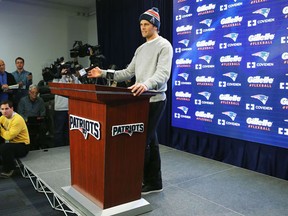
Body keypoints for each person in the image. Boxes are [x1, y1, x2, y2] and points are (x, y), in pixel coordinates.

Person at [87, 7, 173, 195]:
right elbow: (127, 73)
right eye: (141, 25)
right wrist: (102, 72)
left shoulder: (164, 45)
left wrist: (146, 84)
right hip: (139, 101)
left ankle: (141, 180)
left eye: (146, 24)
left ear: (155, 26)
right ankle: (155, 182)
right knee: (151, 141)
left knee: (143, 142)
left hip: (155, 99)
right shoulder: (140, 49)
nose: (142, 28)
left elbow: (163, 73)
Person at [0, 100, 30, 178]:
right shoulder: (3, 117)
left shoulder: (17, 119)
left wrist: (0, 129)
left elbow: (8, 136)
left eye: (6, 109)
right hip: (12, 143)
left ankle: (9, 169)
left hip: (23, 146)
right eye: (2, 109)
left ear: (12, 108)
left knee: (4, 147)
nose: (4, 111)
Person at [53, 69, 80, 147]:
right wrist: (60, 73)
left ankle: (68, 146)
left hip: (71, 108)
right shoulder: (58, 78)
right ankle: (58, 148)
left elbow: (79, 87)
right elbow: (54, 87)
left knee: (69, 130)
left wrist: (75, 75)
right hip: (60, 108)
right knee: (59, 130)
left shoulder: (74, 78)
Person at [18, 84, 46, 150]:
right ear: (29, 92)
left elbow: (43, 112)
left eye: (36, 93)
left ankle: (42, 146)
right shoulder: (23, 101)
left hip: (37, 121)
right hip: (26, 121)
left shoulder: (40, 100)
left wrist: (40, 118)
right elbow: (20, 113)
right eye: (33, 92)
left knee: (43, 126)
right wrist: (25, 119)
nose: (35, 94)